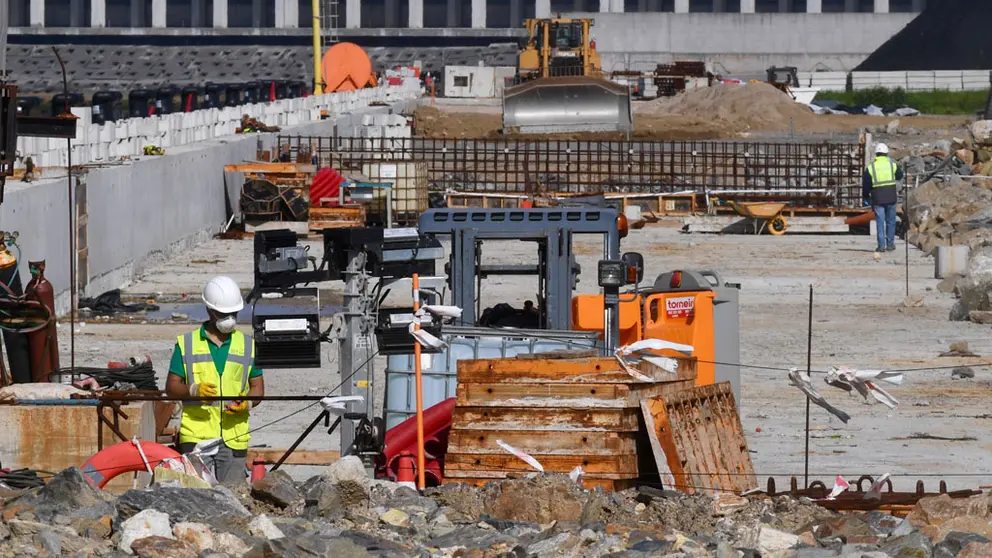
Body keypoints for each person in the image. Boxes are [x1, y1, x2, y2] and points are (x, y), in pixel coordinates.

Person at [165, 276, 264, 483]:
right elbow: (172, 388)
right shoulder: (187, 344)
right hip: (197, 437)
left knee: (233, 497)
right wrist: (193, 390)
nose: (230, 318)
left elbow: (257, 388)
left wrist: (246, 402)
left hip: (234, 437)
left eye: (233, 313)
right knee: (198, 498)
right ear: (210, 310)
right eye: (224, 313)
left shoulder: (248, 345)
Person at [862, 143, 904, 253]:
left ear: (876, 154)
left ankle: (881, 246)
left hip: (878, 198)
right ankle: (890, 244)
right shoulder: (891, 165)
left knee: (880, 222)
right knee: (891, 221)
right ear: (886, 153)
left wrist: (866, 196)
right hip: (891, 196)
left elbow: (866, 184)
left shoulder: (871, 167)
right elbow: (900, 175)